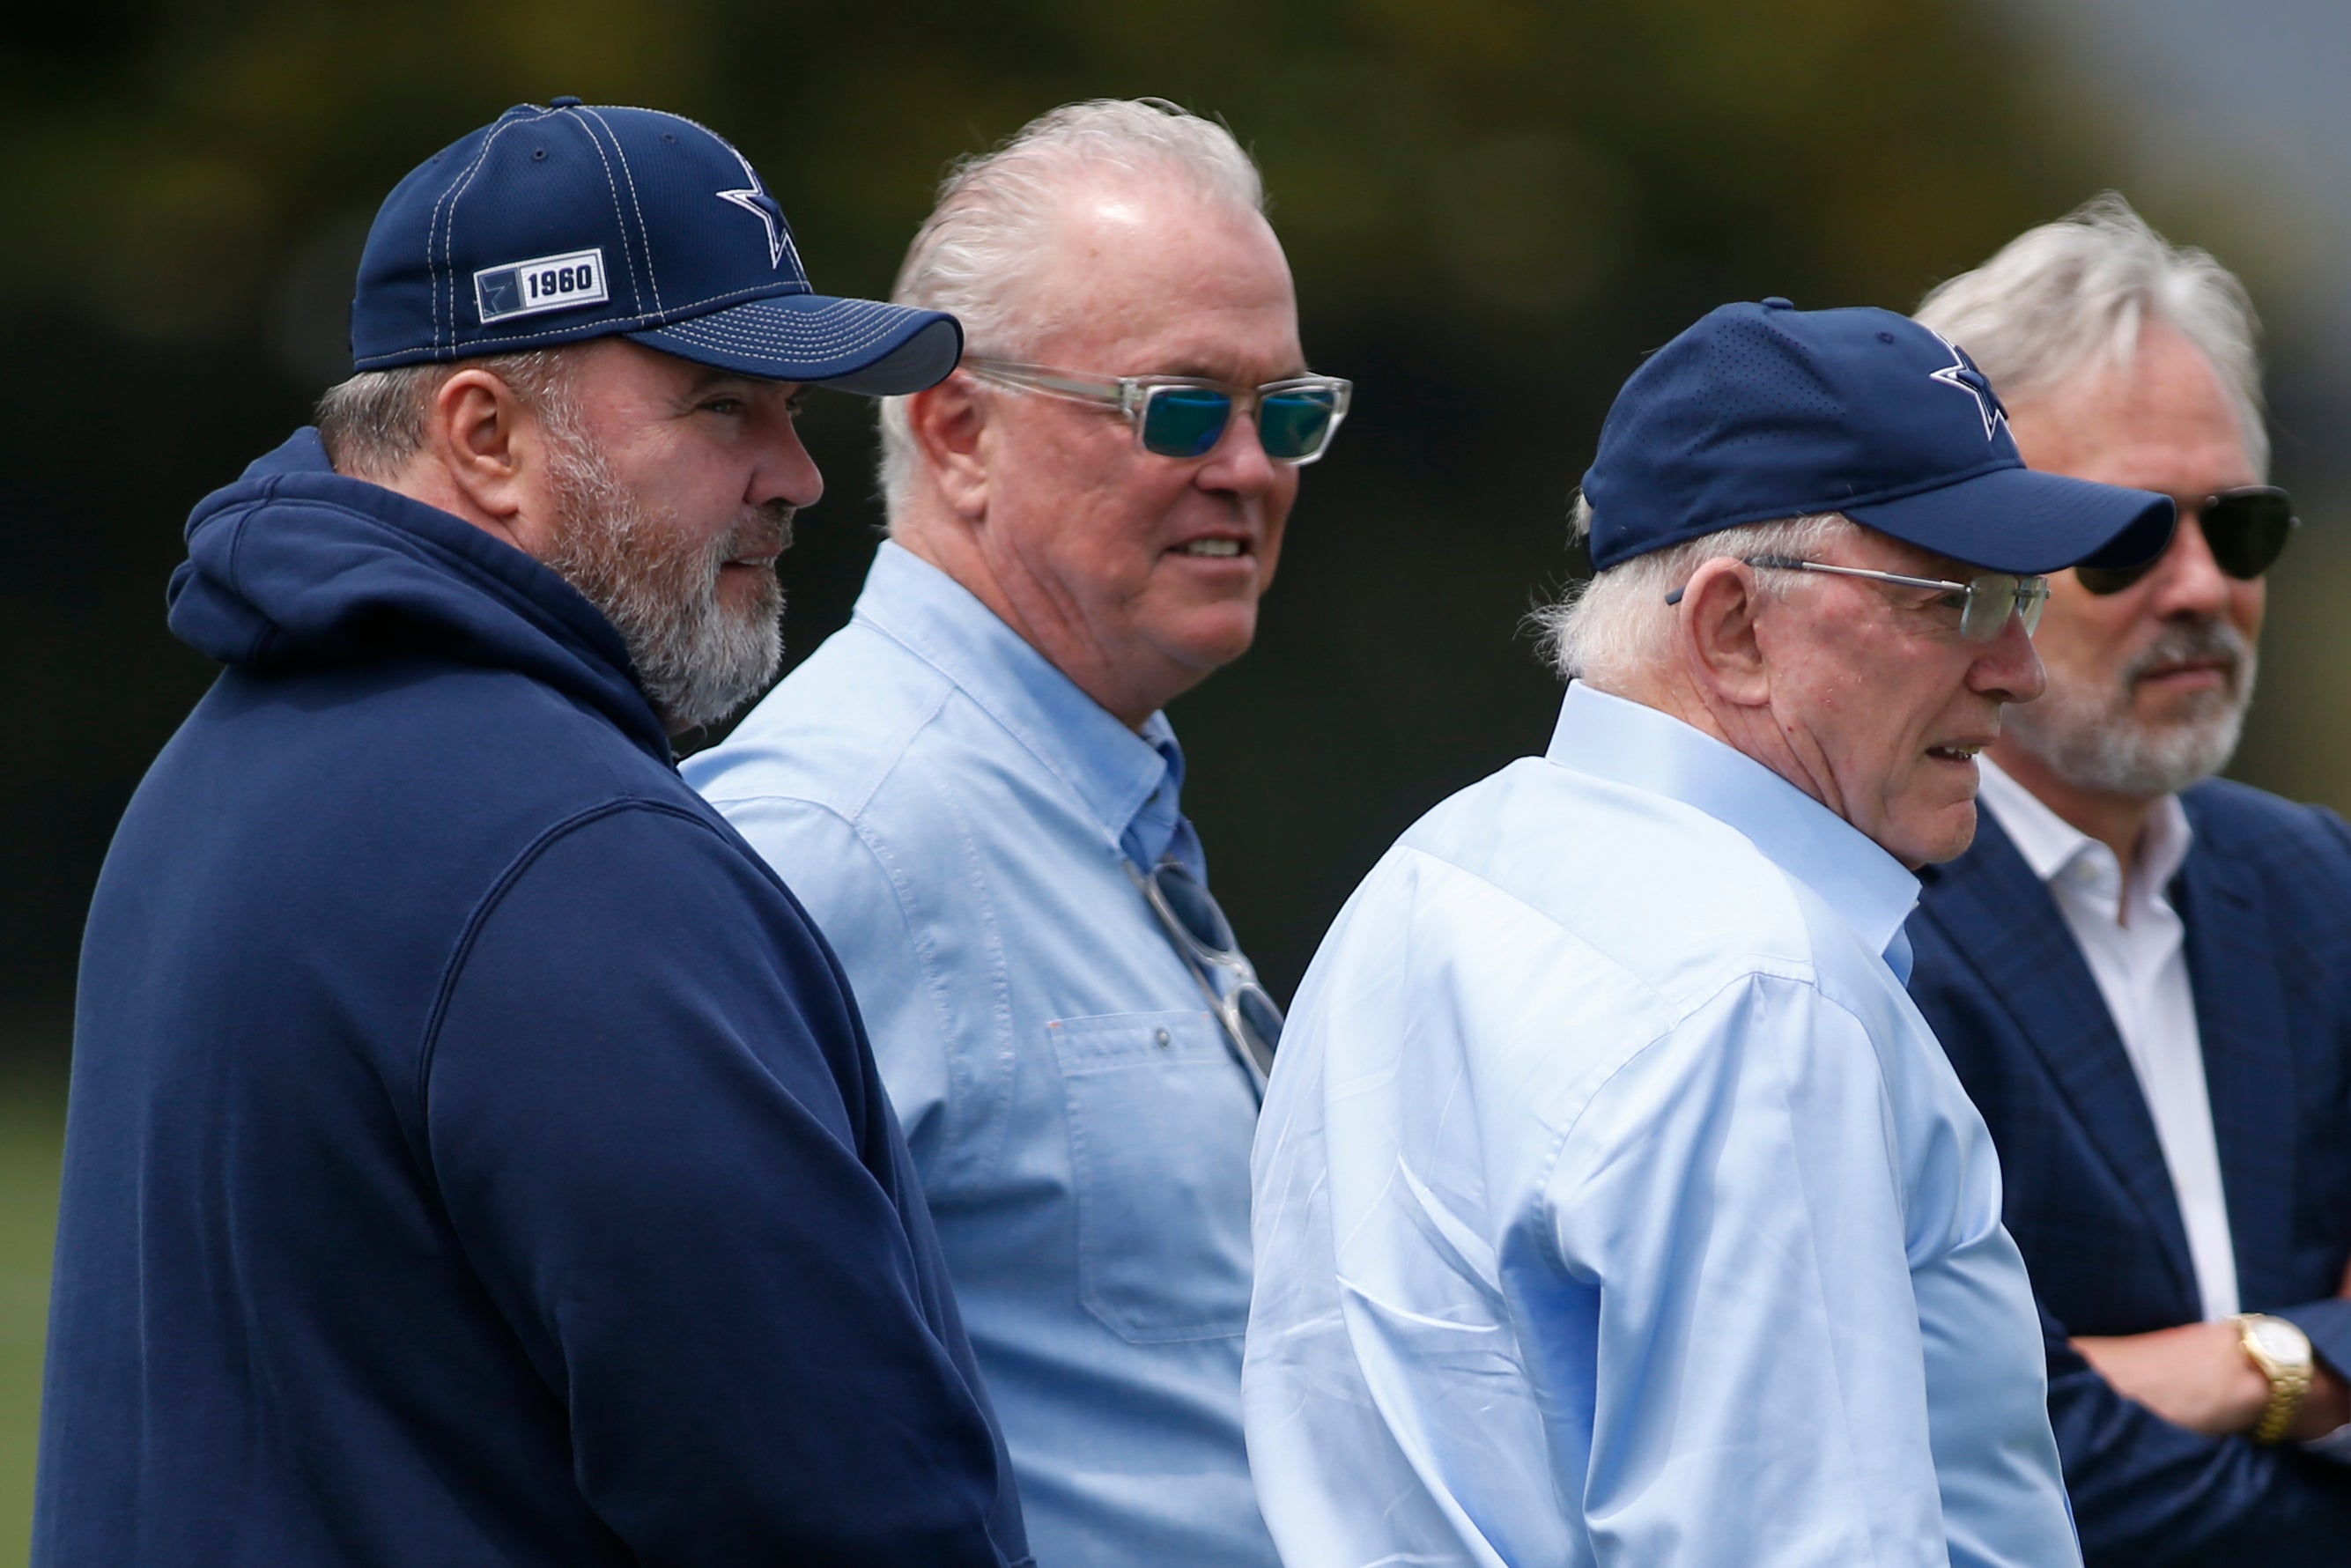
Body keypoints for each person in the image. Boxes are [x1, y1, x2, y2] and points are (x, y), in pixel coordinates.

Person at [35, 100, 1029, 1568]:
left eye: (793, 412)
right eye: (720, 405)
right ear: (485, 436)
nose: (797, 477)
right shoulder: (573, 861)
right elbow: (840, 1508)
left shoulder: (218, 771)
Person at [1243, 298, 2177, 1567]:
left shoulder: (1431, 874)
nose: (2017, 667)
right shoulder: (1757, 990)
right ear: (1732, 627)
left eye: (2019, 595)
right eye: (1952, 599)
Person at [686, 99, 1342, 1568]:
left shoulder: (1091, 802)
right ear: (956, 428)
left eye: (1286, 413)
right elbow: (710, 1446)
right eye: (1179, 407)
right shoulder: (829, 837)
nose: (1249, 467)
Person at [1904, 195, 2351, 1565]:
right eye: (2125, 536)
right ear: (1960, 566)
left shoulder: (2312, 883)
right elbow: (1981, 1462)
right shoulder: (1859, 932)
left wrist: (2180, 1375)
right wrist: (2297, 1363)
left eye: (2243, 527)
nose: (2202, 587)